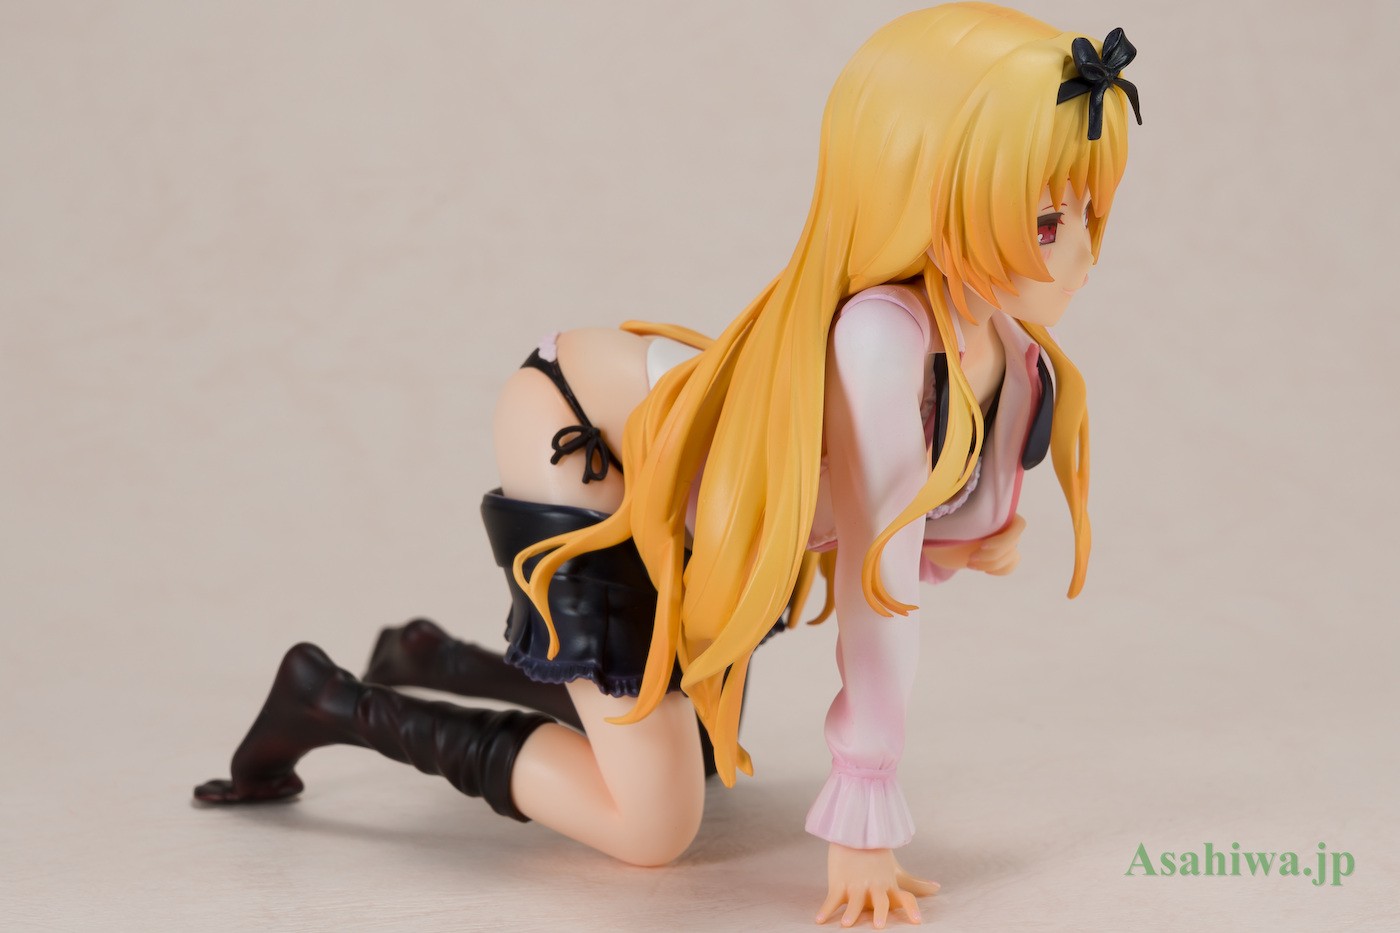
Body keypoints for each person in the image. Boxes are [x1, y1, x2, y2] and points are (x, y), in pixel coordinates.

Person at [193, 5, 1140, 927]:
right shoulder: (880, 338)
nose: (1084, 253)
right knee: (654, 824)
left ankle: (435, 656)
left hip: (688, 500)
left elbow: (905, 518)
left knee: (689, 745)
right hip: (584, 428)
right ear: (920, 193)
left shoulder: (1006, 351)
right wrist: (865, 804)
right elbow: (876, 581)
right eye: (1045, 223)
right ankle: (330, 699)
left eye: (1086, 211)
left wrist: (966, 541)